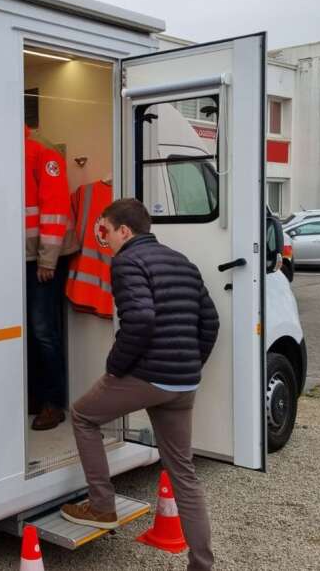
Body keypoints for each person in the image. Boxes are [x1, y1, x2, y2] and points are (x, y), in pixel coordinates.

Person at [60, 198, 218, 571]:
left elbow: (142, 319)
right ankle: (201, 564)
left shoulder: (127, 261)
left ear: (125, 231)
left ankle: (101, 506)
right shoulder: (182, 261)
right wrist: (190, 365)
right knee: (183, 471)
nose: (107, 240)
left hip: (147, 376)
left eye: (107, 232)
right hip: (183, 381)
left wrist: (116, 367)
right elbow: (209, 322)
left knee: (83, 414)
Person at [24, 127, 73, 430]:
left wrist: (47, 259)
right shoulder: (6, 148)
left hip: (43, 258)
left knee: (43, 331)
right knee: (28, 331)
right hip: (23, 257)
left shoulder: (42, 150)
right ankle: (34, 396)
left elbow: (56, 207)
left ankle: (53, 404)